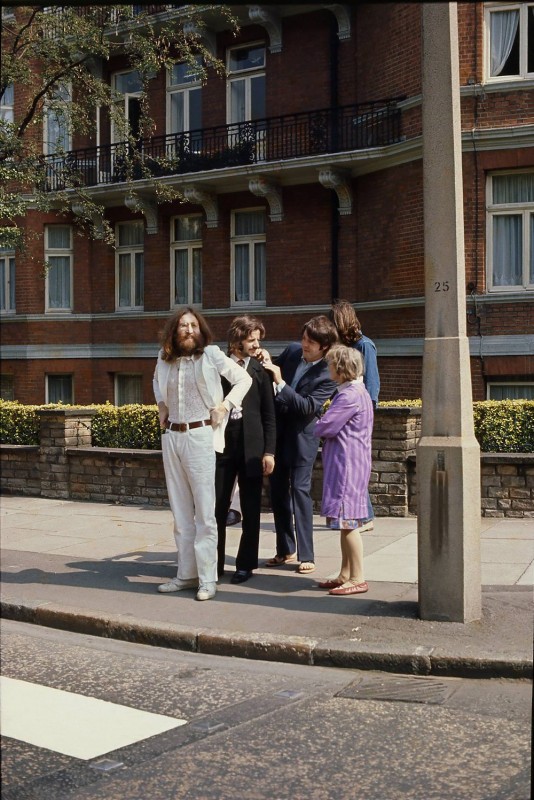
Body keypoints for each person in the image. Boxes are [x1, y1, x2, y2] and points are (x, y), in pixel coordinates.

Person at [153, 307, 252, 601]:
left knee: (206, 514)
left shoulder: (211, 355)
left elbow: (243, 380)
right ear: (174, 330)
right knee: (180, 511)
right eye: (182, 325)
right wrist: (161, 405)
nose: (188, 329)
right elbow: (156, 382)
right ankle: (186, 574)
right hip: (172, 436)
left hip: (201, 436)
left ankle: (208, 579)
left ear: (201, 329)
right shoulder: (164, 357)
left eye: (193, 325)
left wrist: (225, 406)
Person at [261, 315, 338, 574]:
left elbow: (306, 407)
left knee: (300, 493)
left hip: (302, 438)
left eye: (311, 342)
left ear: (324, 347)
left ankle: (307, 554)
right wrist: (264, 359)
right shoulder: (293, 352)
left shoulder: (327, 373)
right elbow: (268, 371)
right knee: (278, 491)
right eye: (304, 338)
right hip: (278, 434)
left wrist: (280, 382)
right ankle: (285, 549)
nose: (304, 344)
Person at [215, 315, 276, 583]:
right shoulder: (218, 366)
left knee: (251, 509)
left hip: (252, 446)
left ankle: (245, 564)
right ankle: (213, 564)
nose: (256, 344)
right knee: (216, 508)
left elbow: (268, 414)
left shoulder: (260, 370)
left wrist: (269, 452)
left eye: (258, 340)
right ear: (237, 340)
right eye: (251, 339)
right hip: (222, 445)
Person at [314, 344, 374, 595]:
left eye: (330, 363)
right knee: (345, 522)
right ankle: (346, 573)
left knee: (348, 522)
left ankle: (357, 577)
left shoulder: (349, 396)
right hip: (352, 461)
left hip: (347, 464)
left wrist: (317, 421)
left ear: (340, 368)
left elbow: (326, 427)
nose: (328, 367)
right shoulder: (359, 392)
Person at [328, 299, 379, 532]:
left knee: (354, 469)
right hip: (346, 410)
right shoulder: (343, 348)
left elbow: (371, 385)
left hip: (357, 416)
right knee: (351, 469)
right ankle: (364, 516)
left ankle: (364, 517)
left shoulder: (365, 346)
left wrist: (363, 414)